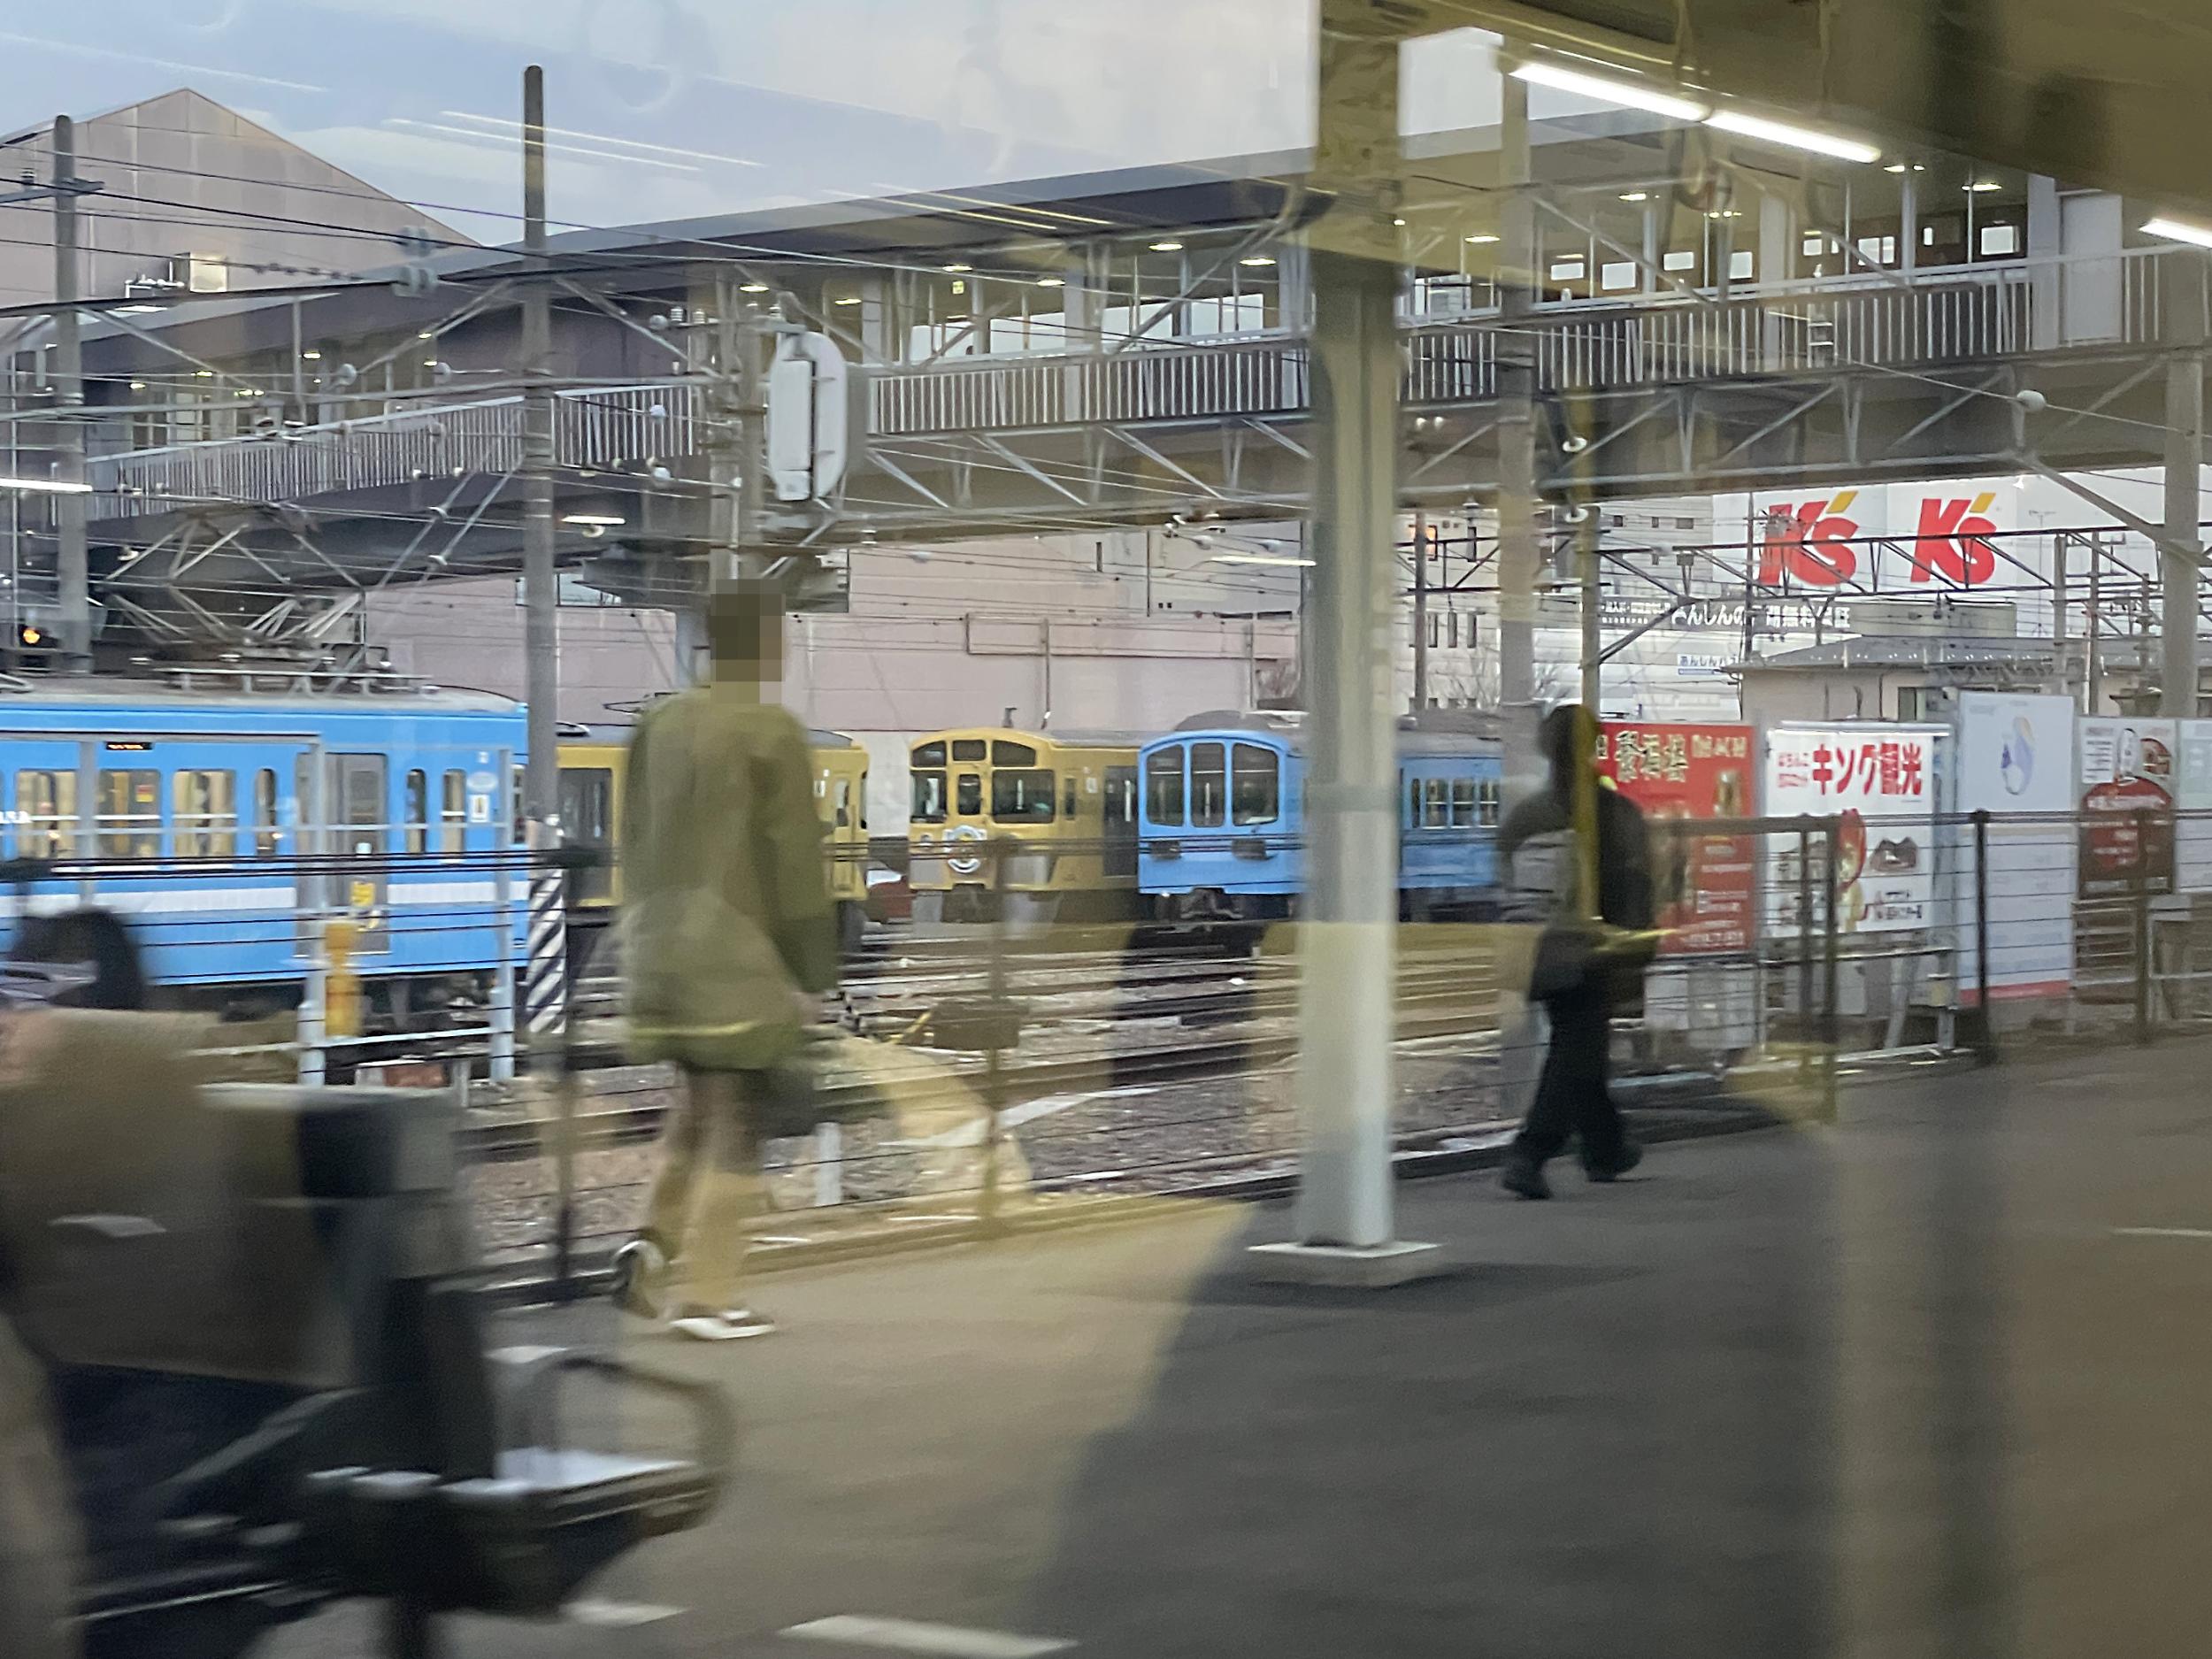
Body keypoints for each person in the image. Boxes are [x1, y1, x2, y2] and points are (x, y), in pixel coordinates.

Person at [610, 585, 838, 1340]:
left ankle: (650, 1246)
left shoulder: (659, 723)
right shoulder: (769, 731)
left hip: (655, 948)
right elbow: (795, 861)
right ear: (770, 646)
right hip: (735, 959)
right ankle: (709, 1297)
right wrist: (811, 973)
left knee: (697, 1107)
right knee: (739, 1123)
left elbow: (632, 835)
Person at [1498, 703, 1657, 1201]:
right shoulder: (1613, 813)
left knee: (1580, 1045)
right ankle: (1531, 1152)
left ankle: (1605, 1147)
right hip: (1592, 951)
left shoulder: (1526, 816)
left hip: (1532, 948)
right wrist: (1637, 945)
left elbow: (1503, 879)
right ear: (1596, 746)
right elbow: (1635, 886)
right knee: (1577, 1049)